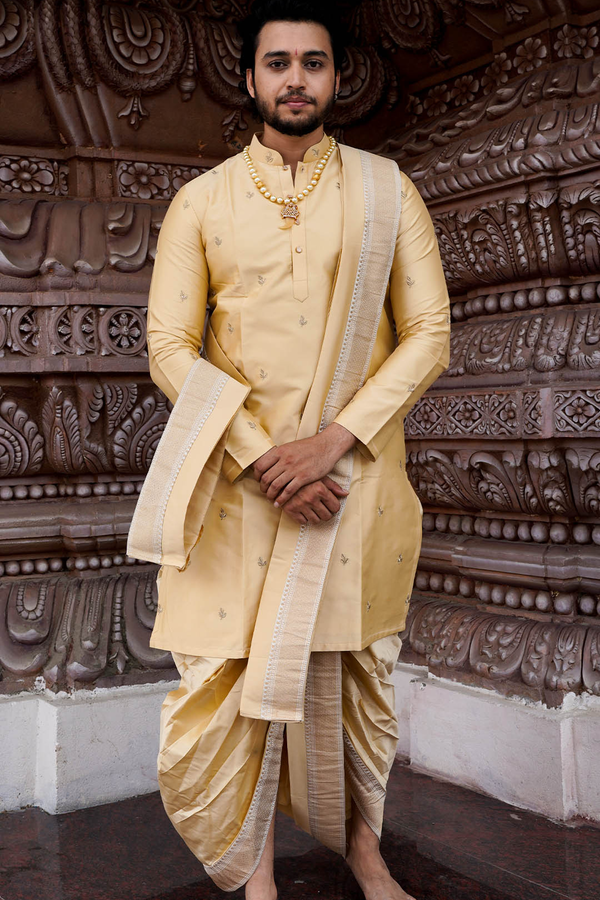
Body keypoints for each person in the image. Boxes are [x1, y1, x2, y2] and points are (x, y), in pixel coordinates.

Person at [127, 2, 450, 898]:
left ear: (336, 78)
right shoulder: (202, 201)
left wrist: (331, 445)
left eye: (313, 63)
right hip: (235, 491)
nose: (296, 79)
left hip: (351, 486)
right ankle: (256, 871)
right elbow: (169, 348)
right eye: (279, 63)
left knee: (349, 682)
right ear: (251, 79)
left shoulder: (388, 190)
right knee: (228, 691)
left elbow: (428, 332)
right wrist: (266, 458)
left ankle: (364, 850)